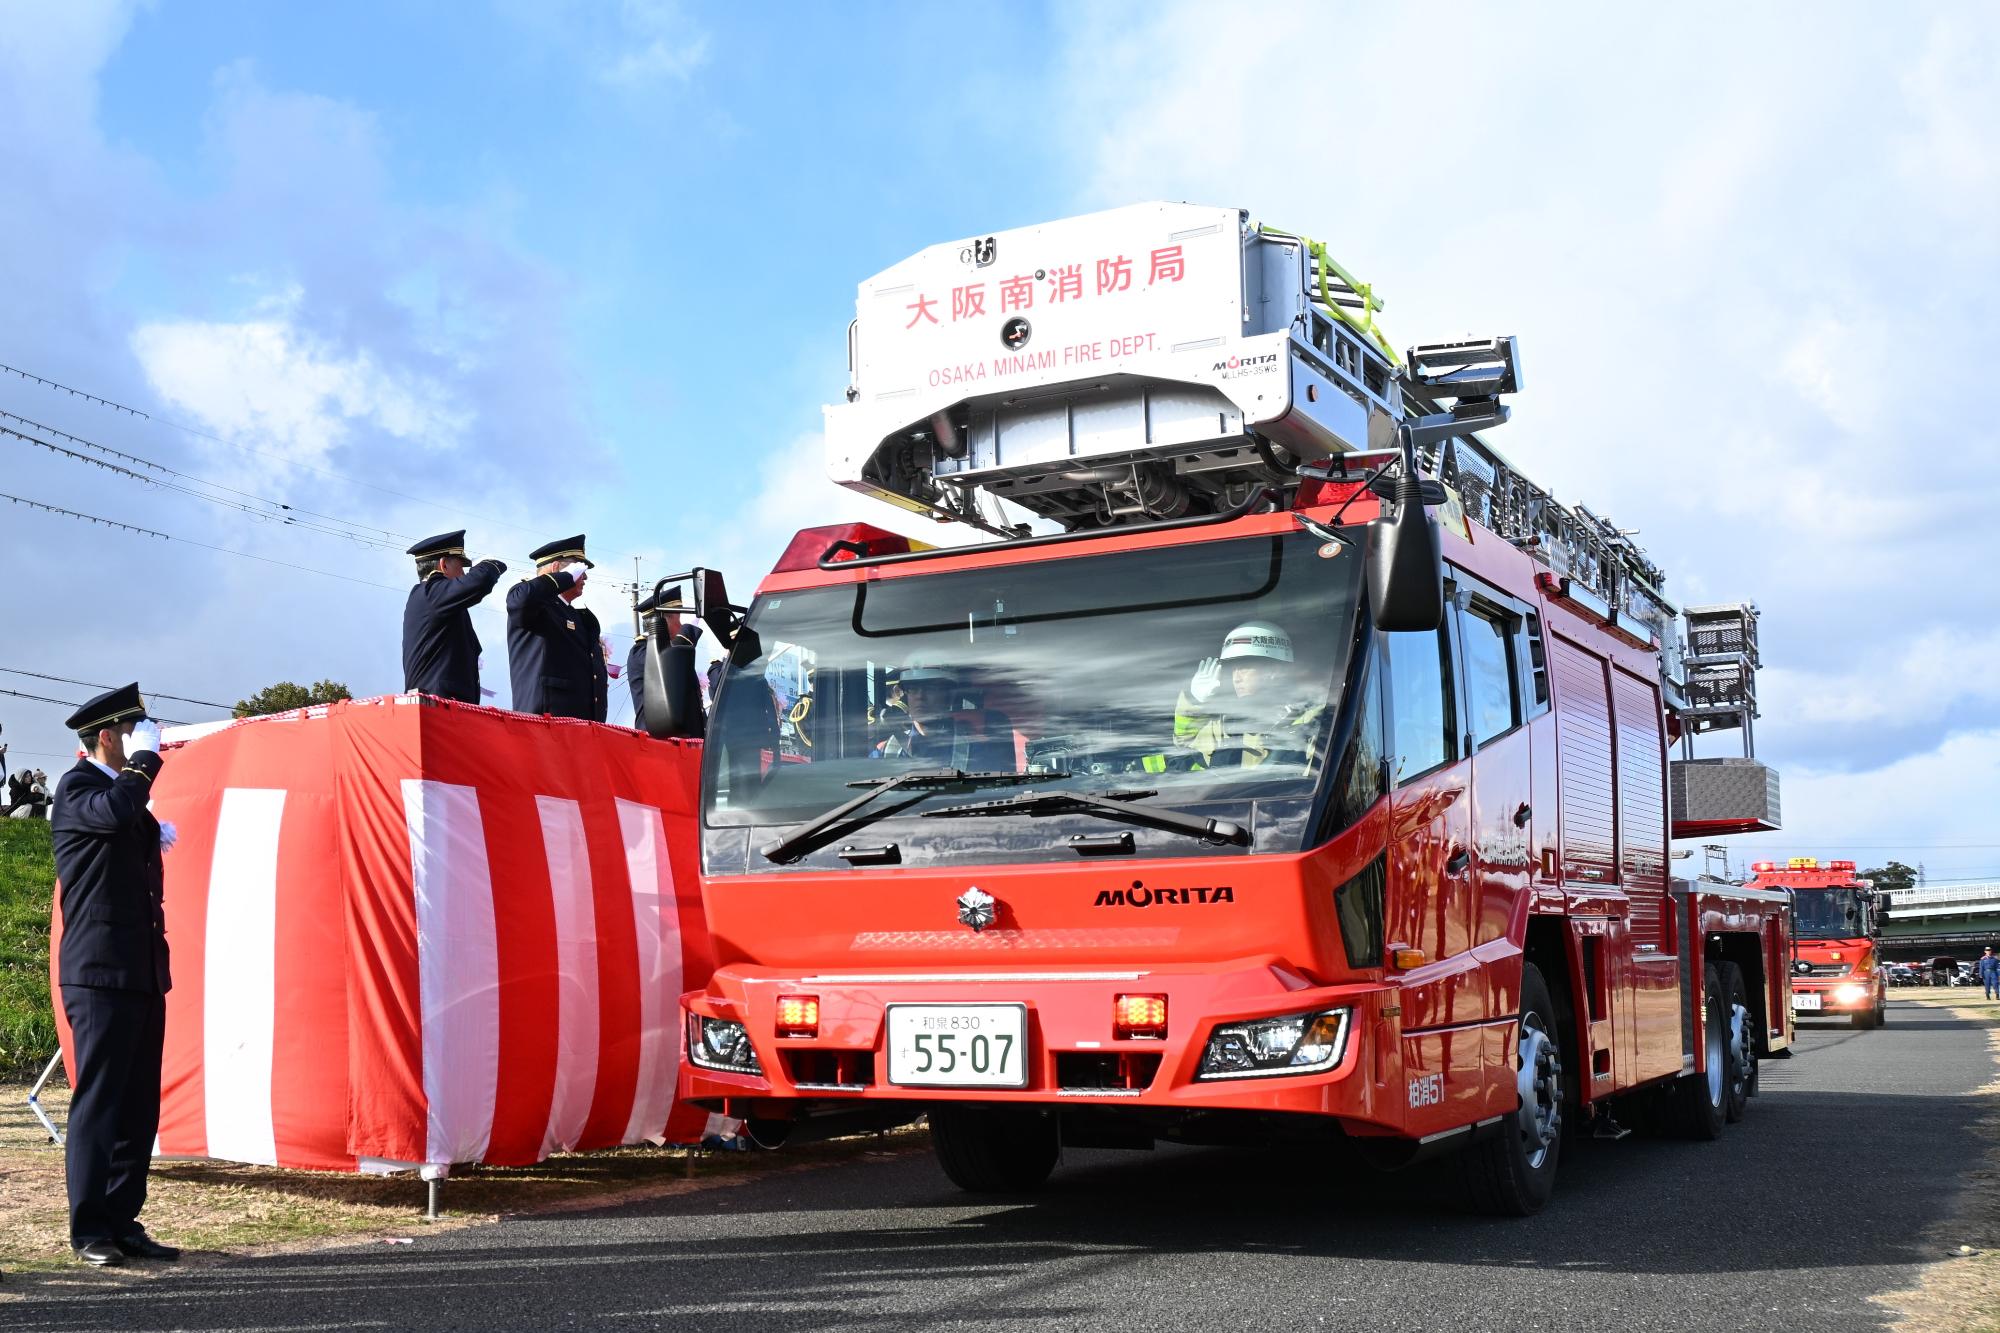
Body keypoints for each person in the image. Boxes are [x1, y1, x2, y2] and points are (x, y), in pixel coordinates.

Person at [50, 683, 179, 1267]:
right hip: (99, 973)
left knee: (136, 1107)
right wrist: (146, 766)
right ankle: (89, 1229)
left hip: (141, 970)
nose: (143, 741)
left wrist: (151, 824)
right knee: (99, 1103)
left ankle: (124, 1217)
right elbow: (111, 813)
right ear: (109, 735)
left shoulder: (124, 798)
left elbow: (128, 824)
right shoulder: (78, 788)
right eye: (135, 732)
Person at [1173, 620, 1326, 769]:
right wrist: (1194, 702)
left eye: (1244, 668)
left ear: (1274, 670)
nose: (1236, 677)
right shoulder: (1225, 725)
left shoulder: (1311, 723)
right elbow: (1184, 748)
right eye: (1233, 668)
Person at [401, 530, 507, 704]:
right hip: (437, 707)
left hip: (446, 705)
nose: (464, 575)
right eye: (461, 567)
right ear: (444, 565)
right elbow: (480, 581)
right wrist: (488, 564)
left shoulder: (437, 598)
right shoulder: (431, 593)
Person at [507, 535, 605, 720]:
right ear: (555, 569)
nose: (584, 576)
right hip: (546, 720)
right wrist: (563, 578)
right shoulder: (536, 604)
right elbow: (520, 601)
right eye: (578, 569)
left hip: (581, 725)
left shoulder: (573, 614)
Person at [872, 655, 1017, 771]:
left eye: (930, 688)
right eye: (913, 688)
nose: (920, 696)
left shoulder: (980, 744)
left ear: (950, 696)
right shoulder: (886, 751)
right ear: (905, 694)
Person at [626, 589, 702, 733]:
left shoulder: (672, 650)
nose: (680, 626)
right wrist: (686, 635)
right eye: (677, 620)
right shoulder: (640, 652)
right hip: (659, 742)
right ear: (662, 622)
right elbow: (668, 665)